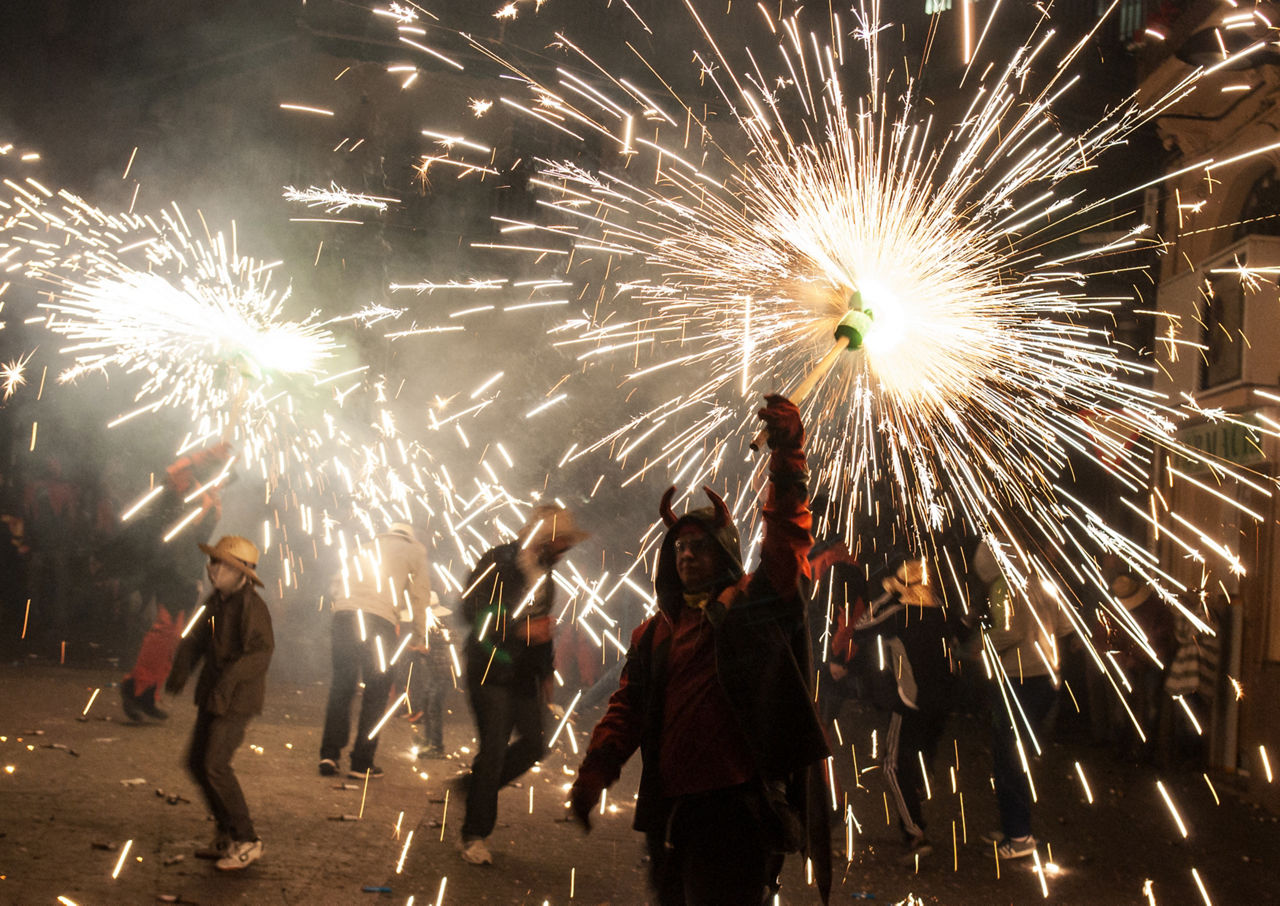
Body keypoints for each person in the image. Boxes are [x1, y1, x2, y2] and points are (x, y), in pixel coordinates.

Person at [569, 395, 831, 906]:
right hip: (671, 810)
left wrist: (787, 456)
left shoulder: (750, 609)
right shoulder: (655, 632)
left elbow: (784, 540)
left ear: (725, 553)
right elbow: (629, 707)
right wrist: (595, 771)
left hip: (735, 810)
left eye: (700, 546)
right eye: (679, 547)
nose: (687, 554)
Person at [457, 504, 588, 866]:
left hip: (524, 677)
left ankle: (473, 787)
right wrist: (516, 629)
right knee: (495, 748)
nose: (564, 552)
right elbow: (470, 611)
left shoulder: (547, 579)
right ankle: (474, 834)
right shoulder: (498, 562)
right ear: (544, 540)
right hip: (489, 671)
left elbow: (544, 631)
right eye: (561, 545)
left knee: (534, 745)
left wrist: (546, 673)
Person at [165, 535, 274, 872]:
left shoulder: (252, 607)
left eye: (222, 565)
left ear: (242, 573)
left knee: (215, 764)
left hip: (237, 700)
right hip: (213, 696)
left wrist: (228, 682)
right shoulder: (215, 603)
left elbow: (259, 653)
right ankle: (227, 830)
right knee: (196, 763)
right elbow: (196, 638)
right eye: (213, 563)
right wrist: (181, 669)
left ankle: (247, 840)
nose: (213, 570)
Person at [851, 555, 959, 864]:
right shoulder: (941, 613)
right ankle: (919, 797)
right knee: (919, 760)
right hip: (942, 702)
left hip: (911, 702)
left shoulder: (899, 614)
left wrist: (891, 594)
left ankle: (915, 833)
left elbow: (861, 626)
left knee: (892, 765)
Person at [970, 539, 1066, 861]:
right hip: (1046, 677)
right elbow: (1065, 627)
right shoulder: (1041, 579)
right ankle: (1013, 825)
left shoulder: (1002, 586)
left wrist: (978, 646)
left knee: (1008, 757)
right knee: (1019, 753)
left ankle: (1020, 836)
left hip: (1017, 679)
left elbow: (1008, 633)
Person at [319, 522, 430, 779]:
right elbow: (420, 596)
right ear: (410, 536)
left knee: (342, 687)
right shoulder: (415, 551)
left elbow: (336, 583)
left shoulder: (366, 546)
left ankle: (329, 754)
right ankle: (361, 762)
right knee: (377, 690)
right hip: (378, 622)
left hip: (344, 617)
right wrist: (421, 634)